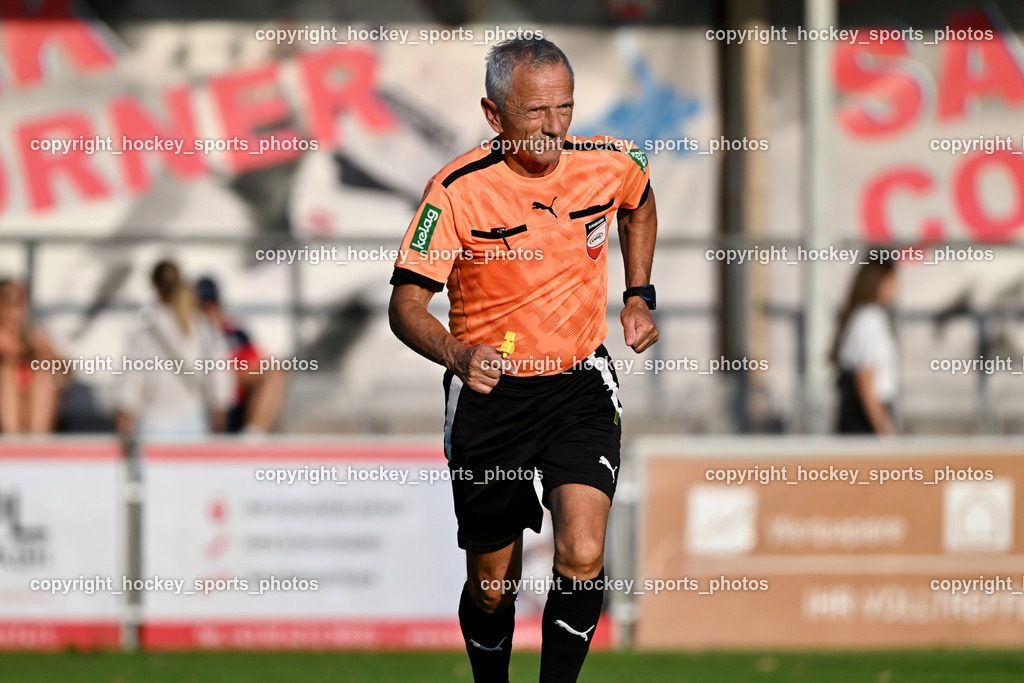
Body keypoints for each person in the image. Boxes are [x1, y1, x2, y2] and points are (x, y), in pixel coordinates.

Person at [388, 38, 658, 683]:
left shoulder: (608, 162)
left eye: (565, 107)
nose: (553, 126)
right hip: (492, 399)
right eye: (536, 112)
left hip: (578, 386)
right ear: (494, 114)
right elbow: (405, 306)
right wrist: (457, 354)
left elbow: (640, 201)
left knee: (583, 553)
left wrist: (638, 295)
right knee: (492, 587)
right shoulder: (455, 192)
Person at [116, 261, 235, 439]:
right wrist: (218, 411)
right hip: (195, 423)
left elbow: (130, 383)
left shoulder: (145, 329)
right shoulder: (203, 326)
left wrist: (124, 423)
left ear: (155, 286)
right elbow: (218, 375)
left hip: (153, 425)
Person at [195, 276, 287, 434]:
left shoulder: (234, 332)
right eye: (203, 306)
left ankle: (253, 435)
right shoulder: (189, 334)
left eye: (212, 304)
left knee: (276, 370)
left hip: (237, 395)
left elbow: (254, 362)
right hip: (205, 394)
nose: (208, 310)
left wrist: (232, 372)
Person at [831, 257, 899, 434]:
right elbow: (865, 377)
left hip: (859, 414)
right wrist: (884, 429)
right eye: (892, 281)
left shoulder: (862, 317)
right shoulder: (870, 318)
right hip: (864, 418)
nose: (897, 288)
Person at [0, 278, 64, 433]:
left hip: (31, 400)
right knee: (7, 374)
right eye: (8, 299)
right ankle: (13, 439)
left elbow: (64, 371)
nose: (16, 307)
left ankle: (37, 439)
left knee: (44, 375)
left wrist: (44, 356)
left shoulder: (36, 336)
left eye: (21, 299)